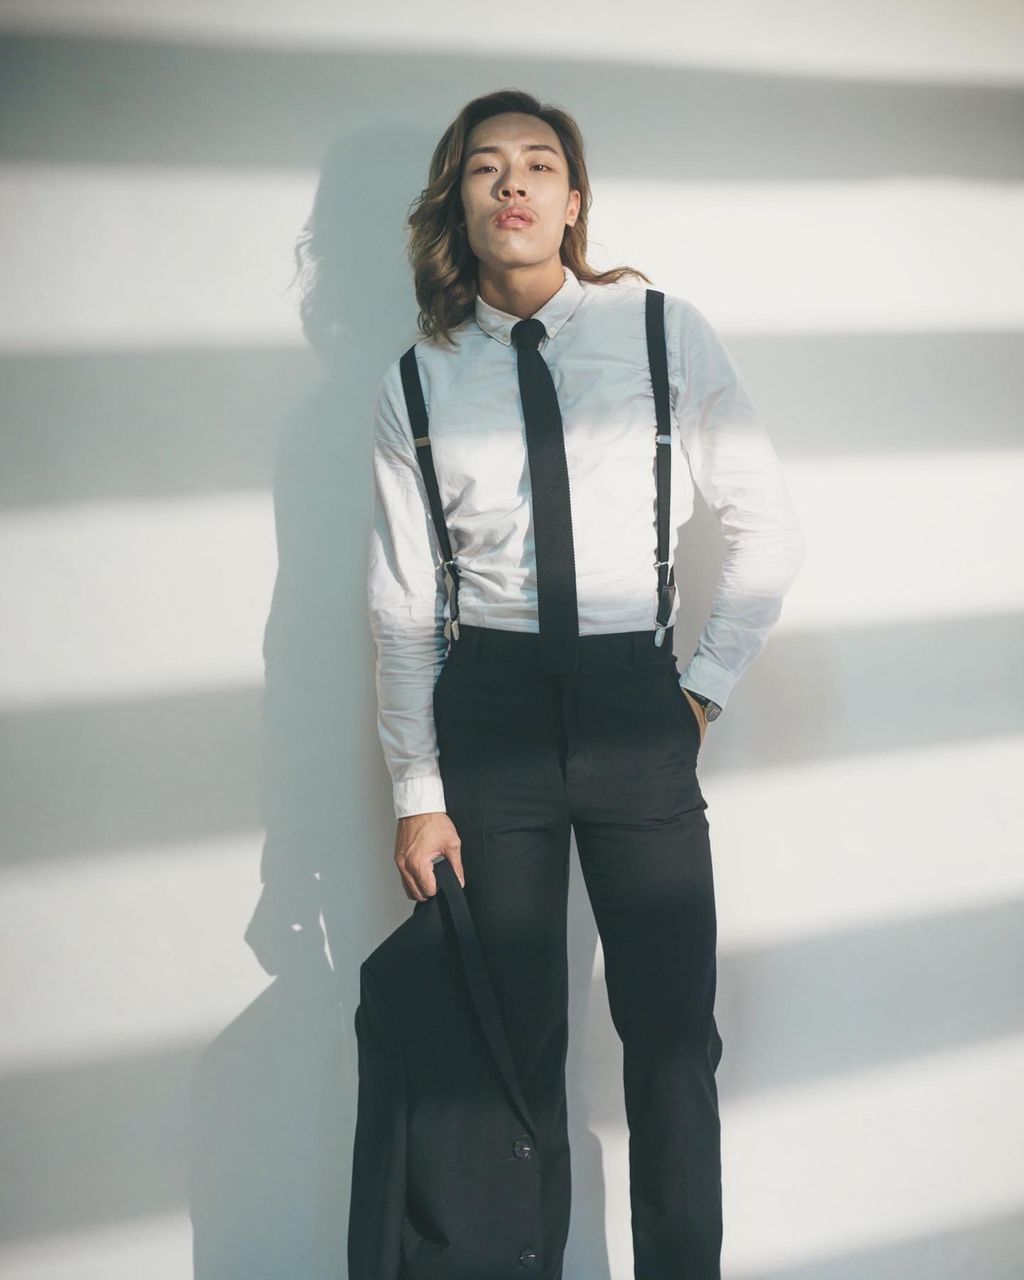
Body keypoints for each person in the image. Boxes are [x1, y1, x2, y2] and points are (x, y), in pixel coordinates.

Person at [365, 88, 805, 1280]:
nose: (513, 183)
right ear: (457, 202)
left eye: (538, 163)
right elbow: (404, 604)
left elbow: (763, 526)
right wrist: (416, 787)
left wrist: (696, 692)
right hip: (488, 717)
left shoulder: (663, 330)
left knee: (671, 1040)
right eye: (485, 167)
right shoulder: (419, 379)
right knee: (509, 1044)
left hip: (634, 709)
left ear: (571, 200)